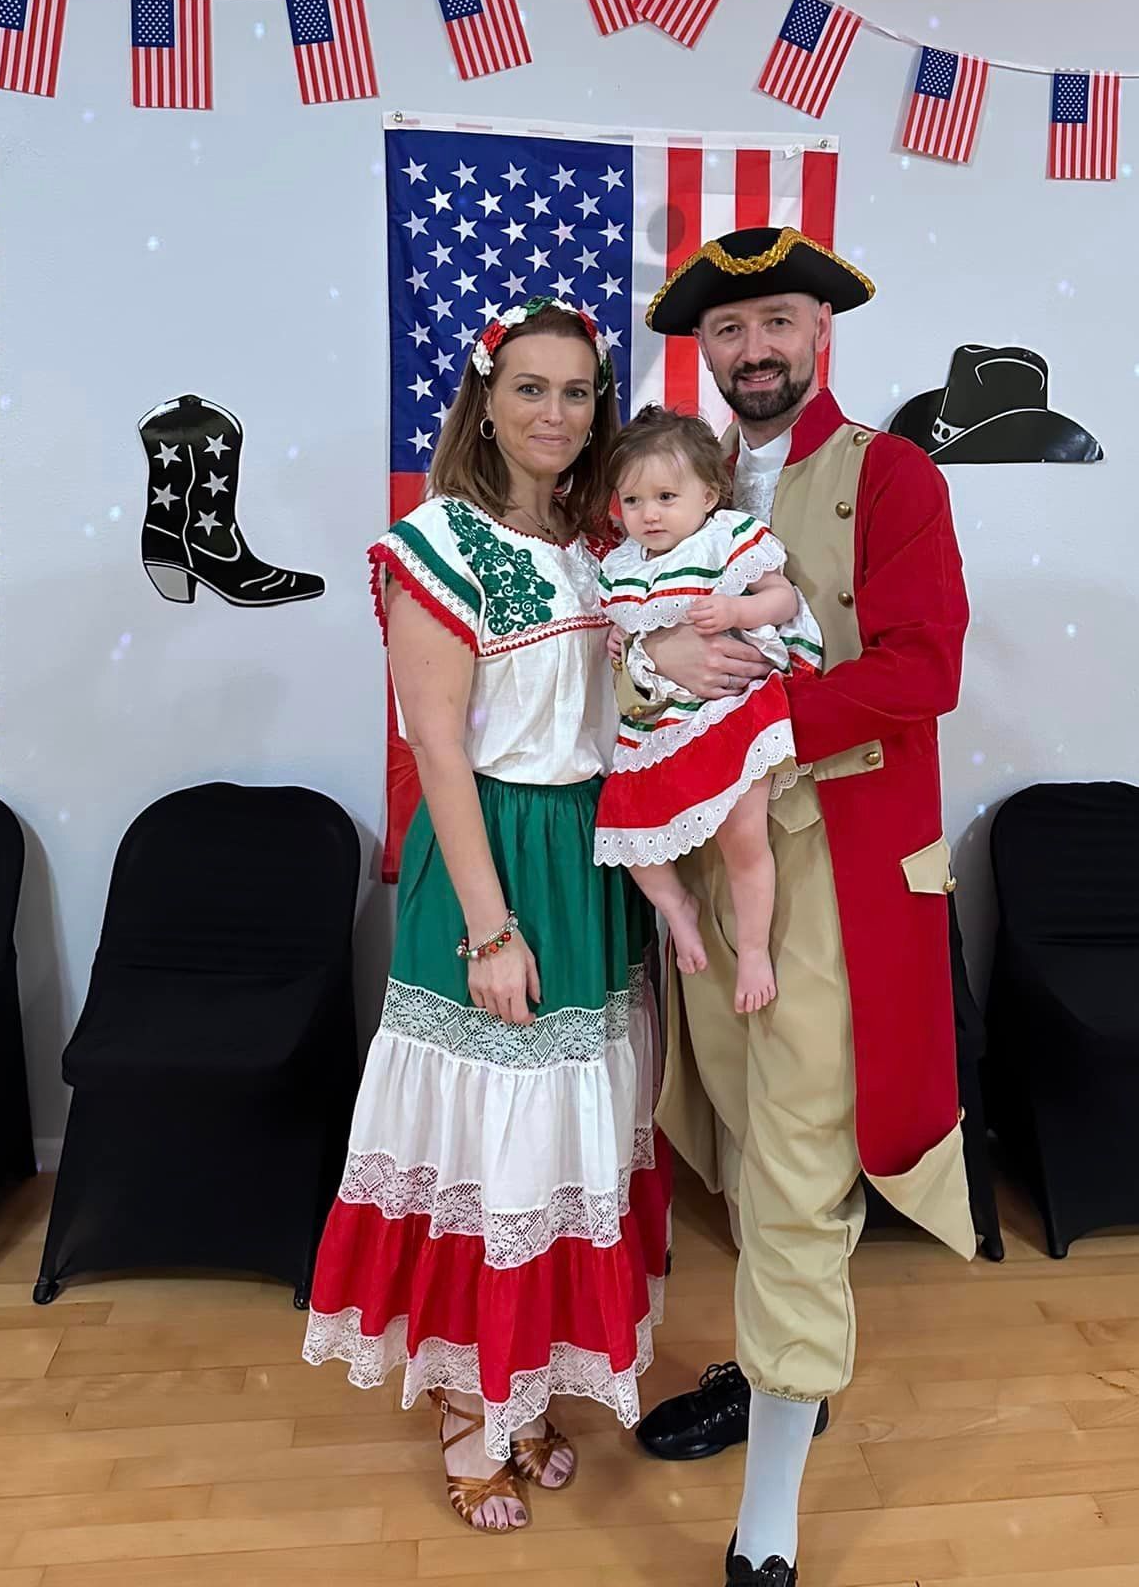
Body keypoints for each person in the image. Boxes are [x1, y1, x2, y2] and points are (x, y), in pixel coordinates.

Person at [627, 229, 973, 1587]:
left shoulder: (888, 474)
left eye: (776, 321)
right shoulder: (679, 491)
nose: (755, 350)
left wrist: (756, 715)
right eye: (729, 331)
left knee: (796, 1164)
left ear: (820, 330)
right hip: (708, 863)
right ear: (702, 352)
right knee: (722, 1124)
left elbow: (920, 667)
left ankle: (766, 1521)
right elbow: (641, 649)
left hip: (831, 865)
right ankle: (780, 1379)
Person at [303, 298, 669, 1536]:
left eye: (576, 393)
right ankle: (468, 1410)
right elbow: (442, 754)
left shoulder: (593, 547)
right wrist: (490, 928)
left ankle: (521, 1387)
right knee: (487, 1138)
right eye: (531, 388)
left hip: (587, 858)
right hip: (494, 861)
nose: (555, 414)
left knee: (563, 1139)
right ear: (484, 397)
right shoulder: (436, 543)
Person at [593, 404, 822, 1014]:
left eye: (666, 496)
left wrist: (738, 612)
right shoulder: (621, 567)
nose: (649, 514)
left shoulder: (726, 539)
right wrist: (620, 639)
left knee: (743, 838)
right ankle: (679, 910)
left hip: (728, 711)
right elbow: (621, 633)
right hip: (660, 721)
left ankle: (752, 950)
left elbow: (782, 597)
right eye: (633, 500)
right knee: (627, 829)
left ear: (710, 492)